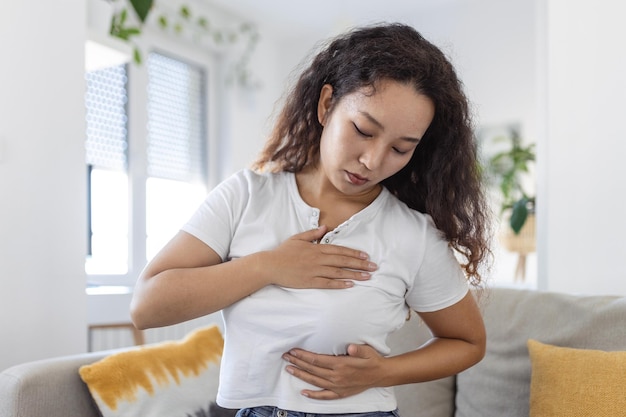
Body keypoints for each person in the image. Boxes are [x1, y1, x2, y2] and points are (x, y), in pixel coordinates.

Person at [131, 22, 491, 417]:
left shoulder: (413, 235)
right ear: (326, 105)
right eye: (363, 130)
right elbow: (148, 307)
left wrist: (382, 372)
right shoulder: (246, 197)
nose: (373, 161)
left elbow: (468, 342)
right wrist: (268, 266)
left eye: (401, 149)